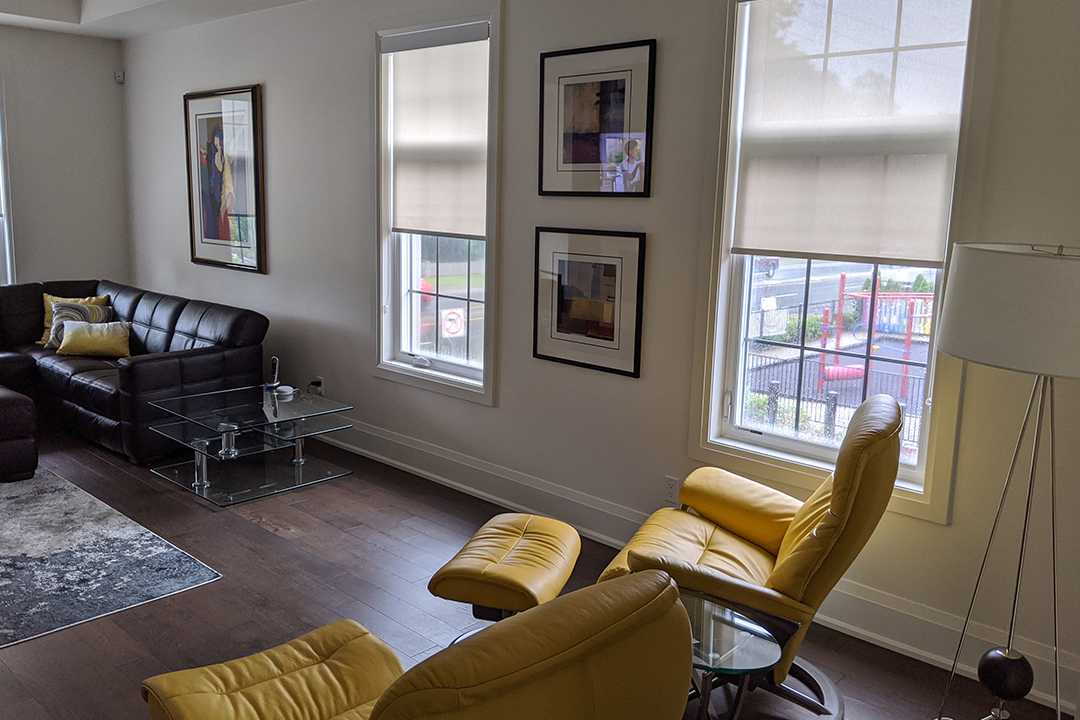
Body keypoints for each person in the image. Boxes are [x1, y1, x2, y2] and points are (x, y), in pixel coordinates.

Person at [202, 127, 235, 241]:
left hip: (223, 187)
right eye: (215, 141)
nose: (216, 143)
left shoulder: (222, 154)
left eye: (218, 141)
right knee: (218, 212)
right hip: (216, 186)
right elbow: (217, 168)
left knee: (223, 212)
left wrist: (220, 152)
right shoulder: (215, 153)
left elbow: (221, 168)